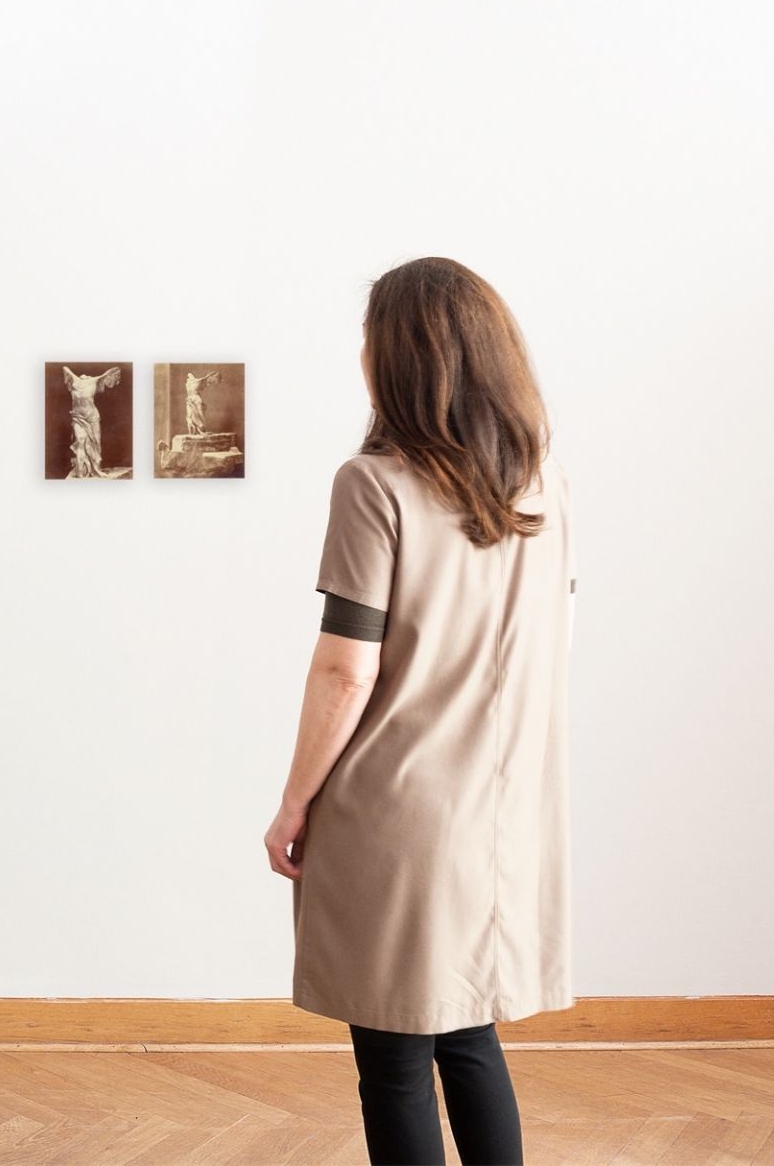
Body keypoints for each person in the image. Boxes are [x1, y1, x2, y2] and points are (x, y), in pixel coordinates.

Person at [263, 257, 576, 1165]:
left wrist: (293, 804)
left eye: (368, 338)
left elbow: (344, 671)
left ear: (400, 357)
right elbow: (556, 640)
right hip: (498, 809)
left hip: (394, 812)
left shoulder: (374, 484)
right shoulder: (544, 484)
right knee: (469, 1039)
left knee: (395, 1064)